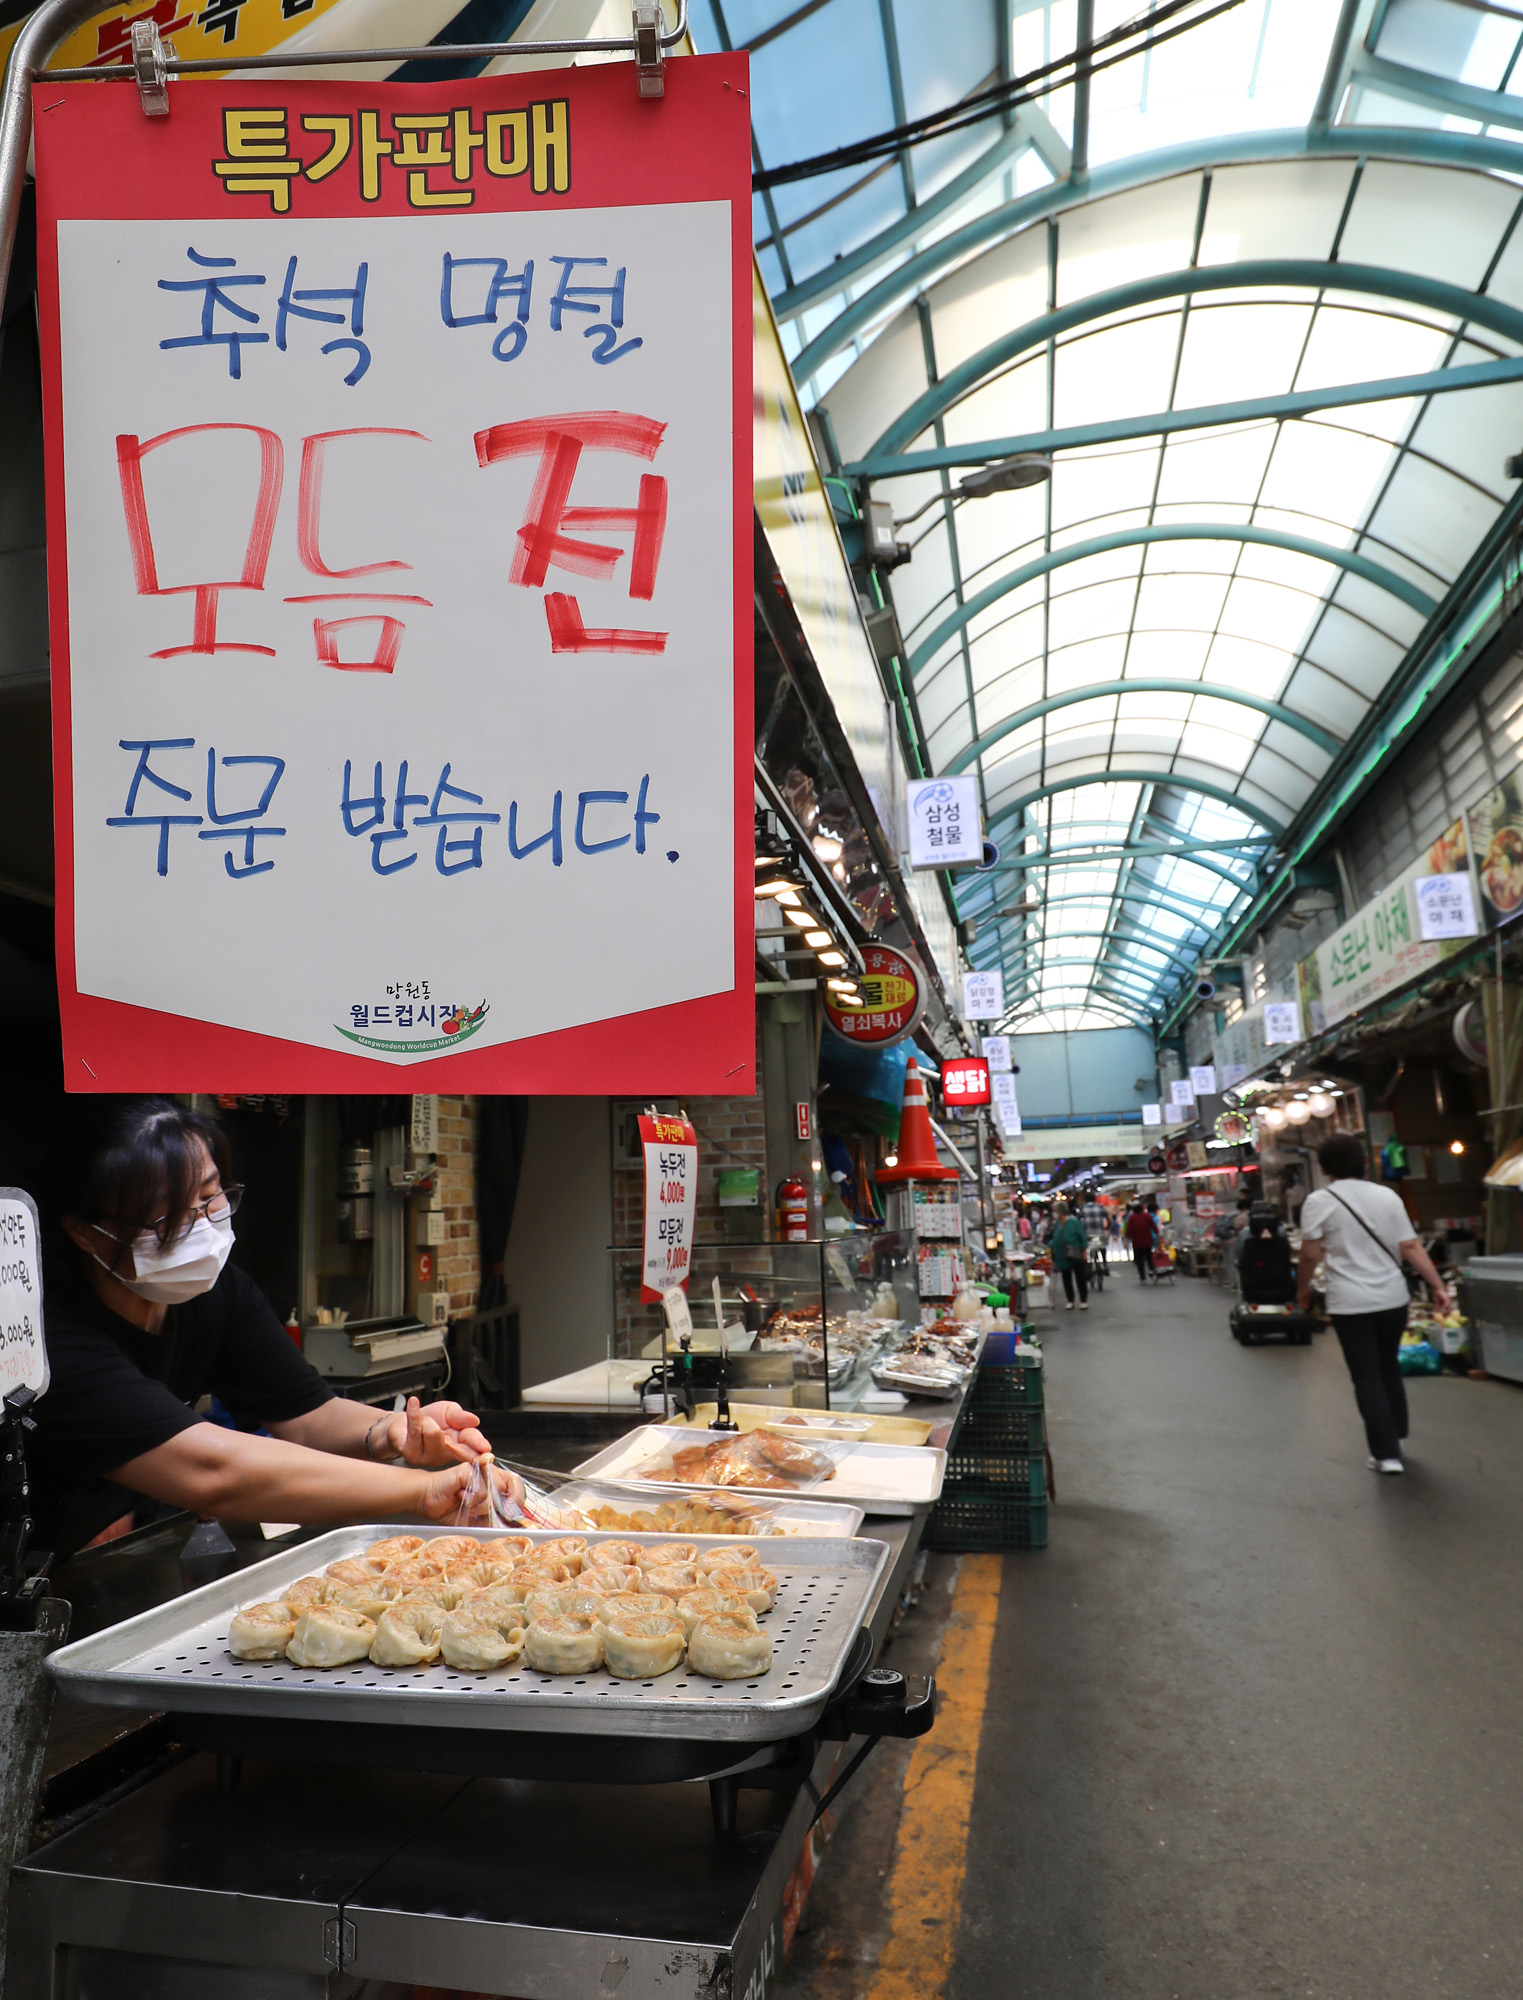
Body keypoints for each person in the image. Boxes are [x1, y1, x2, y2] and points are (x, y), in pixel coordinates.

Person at [27, 1097, 523, 1561]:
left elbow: (308, 1416)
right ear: (84, 1231)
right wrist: (424, 1491)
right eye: (166, 1219)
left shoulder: (216, 1294)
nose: (201, 1228)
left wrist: (389, 1430)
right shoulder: (44, 1335)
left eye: (210, 1197)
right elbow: (213, 1469)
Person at [1296, 1133, 1453, 1476]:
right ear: (1363, 1162)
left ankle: (1385, 1454)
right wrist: (1438, 1286)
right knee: (1388, 1368)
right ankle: (1396, 1436)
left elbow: (1310, 1254)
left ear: (1323, 1168)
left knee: (1366, 1375)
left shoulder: (1319, 1201)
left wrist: (1302, 1288)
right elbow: (1410, 1247)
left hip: (1350, 1302)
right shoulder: (1387, 1196)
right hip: (1392, 1299)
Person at [1050, 1201, 1090, 1311]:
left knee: (1080, 1278)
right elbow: (1054, 1237)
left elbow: (1082, 1237)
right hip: (1062, 1255)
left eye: (1055, 1211)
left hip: (1075, 1253)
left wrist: (1085, 1252)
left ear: (1060, 1211)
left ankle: (1083, 1300)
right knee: (1066, 1278)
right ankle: (1070, 1300)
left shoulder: (1074, 1222)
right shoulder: (1056, 1224)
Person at [1124, 1202, 1156, 1283]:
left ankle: (1142, 1277)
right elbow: (1154, 1227)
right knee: (1149, 1258)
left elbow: (1128, 1231)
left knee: (1139, 1260)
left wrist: (1126, 1241)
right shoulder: (1147, 1216)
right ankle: (1152, 1271)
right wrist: (1159, 1237)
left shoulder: (1132, 1218)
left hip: (1137, 1242)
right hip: (1148, 1241)